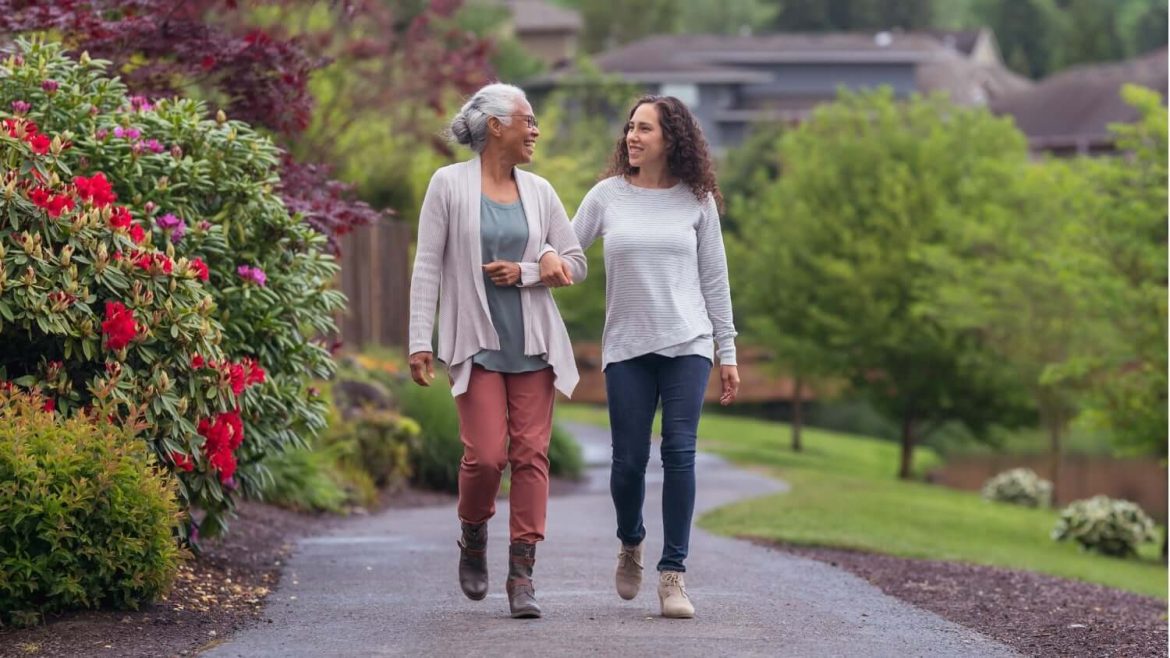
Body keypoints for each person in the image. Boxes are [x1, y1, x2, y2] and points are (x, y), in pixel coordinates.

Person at [407, 82, 585, 619]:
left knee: (531, 456)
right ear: (495, 127)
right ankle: (474, 534)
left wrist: (530, 270)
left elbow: (574, 263)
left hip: (533, 345)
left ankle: (522, 575)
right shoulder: (448, 184)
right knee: (486, 457)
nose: (535, 130)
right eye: (527, 120)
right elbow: (427, 264)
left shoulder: (542, 192)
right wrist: (420, 339)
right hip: (477, 344)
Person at [572, 95, 740, 619]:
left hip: (687, 344)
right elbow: (571, 261)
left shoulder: (697, 200)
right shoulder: (605, 196)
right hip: (626, 348)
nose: (632, 137)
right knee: (627, 465)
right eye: (629, 128)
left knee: (680, 453)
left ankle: (673, 575)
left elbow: (715, 279)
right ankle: (631, 540)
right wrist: (531, 270)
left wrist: (726, 350)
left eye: (644, 128)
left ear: (671, 138)